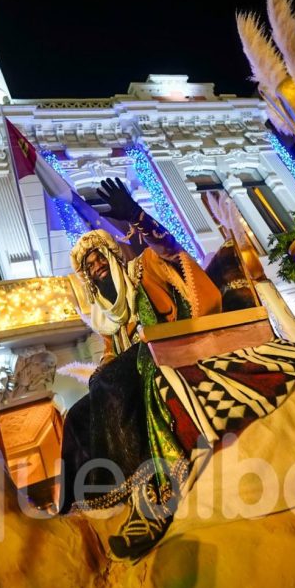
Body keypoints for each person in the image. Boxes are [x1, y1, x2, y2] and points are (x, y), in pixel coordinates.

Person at [60, 178, 221, 560]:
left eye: (100, 257)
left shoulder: (141, 269)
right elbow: (109, 357)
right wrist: (103, 369)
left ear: (113, 257)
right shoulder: (106, 319)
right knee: (76, 415)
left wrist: (137, 216)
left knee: (111, 381)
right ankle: (84, 507)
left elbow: (169, 249)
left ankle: (148, 495)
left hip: (171, 346)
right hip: (130, 369)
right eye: (89, 265)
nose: (96, 266)